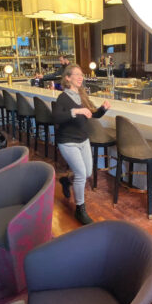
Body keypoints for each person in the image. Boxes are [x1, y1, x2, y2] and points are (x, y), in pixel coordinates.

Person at [52, 64, 111, 225]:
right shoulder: (63, 97)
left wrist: (103, 109)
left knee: (86, 173)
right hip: (67, 141)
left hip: (83, 140)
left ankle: (66, 181)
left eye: (81, 74)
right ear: (67, 78)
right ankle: (80, 209)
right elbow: (56, 118)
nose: (80, 77)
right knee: (80, 174)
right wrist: (76, 111)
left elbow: (93, 114)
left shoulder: (82, 95)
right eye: (76, 74)